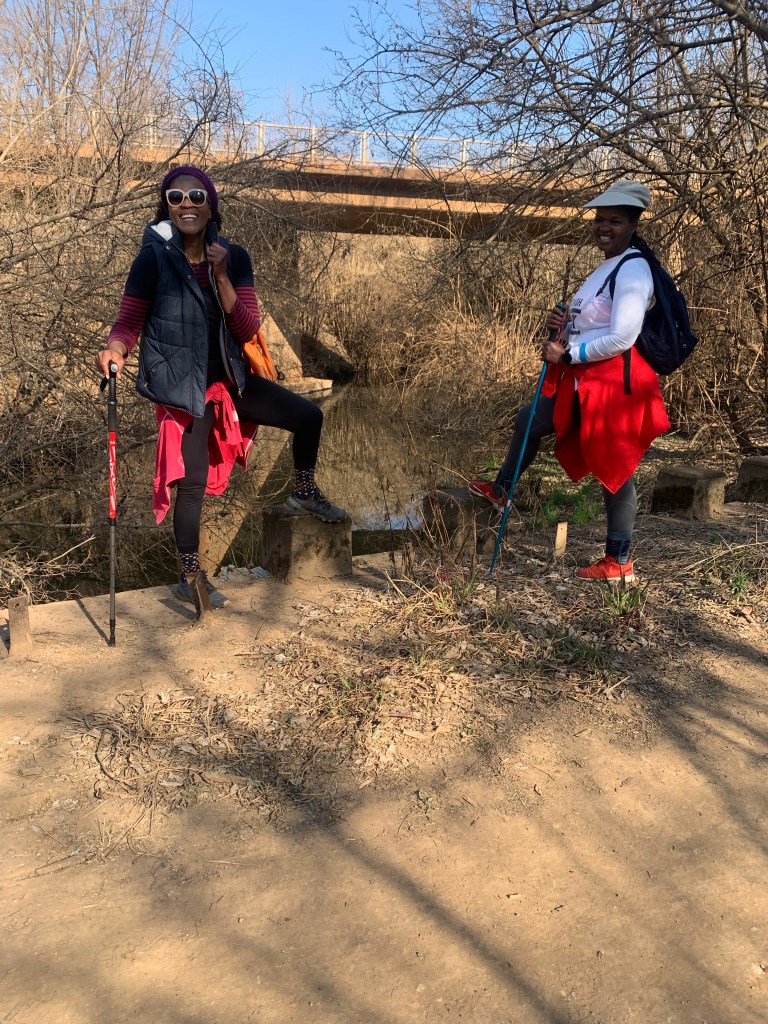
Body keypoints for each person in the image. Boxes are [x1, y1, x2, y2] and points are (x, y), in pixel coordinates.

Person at [96, 165, 345, 609]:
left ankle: (303, 491)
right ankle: (190, 574)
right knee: (191, 483)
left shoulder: (234, 256)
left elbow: (247, 328)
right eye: (176, 198)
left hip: (232, 382)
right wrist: (116, 348)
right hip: (182, 389)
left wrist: (223, 276)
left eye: (196, 196)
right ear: (166, 207)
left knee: (308, 416)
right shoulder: (152, 259)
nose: (186, 204)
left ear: (211, 206)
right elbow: (129, 321)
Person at [468, 179, 671, 583]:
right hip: (585, 380)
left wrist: (568, 355)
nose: (603, 227)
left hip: (613, 384)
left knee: (614, 465)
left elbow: (622, 336)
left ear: (633, 225)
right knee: (530, 419)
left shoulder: (633, 268)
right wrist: (563, 326)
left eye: (614, 221)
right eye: (599, 219)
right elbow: (594, 323)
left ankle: (618, 562)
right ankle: (501, 489)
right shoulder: (607, 266)